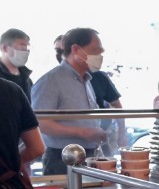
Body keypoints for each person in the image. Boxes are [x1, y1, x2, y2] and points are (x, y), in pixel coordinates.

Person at [30, 28, 108, 175]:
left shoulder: (86, 80)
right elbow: (41, 124)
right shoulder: (50, 81)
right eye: (95, 51)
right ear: (76, 50)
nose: (99, 56)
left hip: (89, 155)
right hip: (61, 158)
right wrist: (83, 132)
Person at [0, 28, 33, 97]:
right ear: (5, 48)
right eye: (22, 46)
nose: (26, 51)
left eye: (27, 47)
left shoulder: (26, 78)